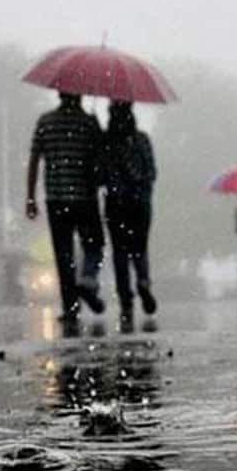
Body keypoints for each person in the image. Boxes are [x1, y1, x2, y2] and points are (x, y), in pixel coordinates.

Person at [26, 92, 106, 329]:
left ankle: (70, 308)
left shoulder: (45, 122)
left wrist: (30, 197)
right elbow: (100, 159)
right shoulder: (88, 123)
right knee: (94, 244)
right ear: (80, 95)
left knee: (64, 256)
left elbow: (34, 160)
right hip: (85, 197)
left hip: (56, 199)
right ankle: (88, 280)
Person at [100, 101, 157, 333]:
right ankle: (143, 281)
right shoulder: (142, 140)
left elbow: (100, 176)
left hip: (116, 204)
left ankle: (126, 299)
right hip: (140, 204)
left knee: (120, 251)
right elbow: (152, 172)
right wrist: (138, 185)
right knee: (139, 247)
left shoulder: (107, 143)